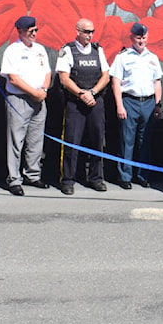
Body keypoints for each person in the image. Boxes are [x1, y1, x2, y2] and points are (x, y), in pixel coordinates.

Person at [0, 16, 52, 196]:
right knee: (16, 140)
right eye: (31, 32)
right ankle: (14, 179)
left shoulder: (40, 49)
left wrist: (43, 90)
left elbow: (47, 72)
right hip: (19, 99)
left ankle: (32, 174)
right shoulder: (12, 50)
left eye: (36, 30)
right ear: (20, 32)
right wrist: (34, 92)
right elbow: (13, 78)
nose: (34, 34)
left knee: (36, 139)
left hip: (39, 99)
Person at [56, 18, 110, 195]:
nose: (90, 35)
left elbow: (105, 76)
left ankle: (96, 178)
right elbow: (64, 78)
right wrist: (81, 94)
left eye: (92, 31)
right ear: (77, 31)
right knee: (71, 141)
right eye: (87, 32)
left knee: (97, 141)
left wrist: (92, 93)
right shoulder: (67, 50)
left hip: (95, 100)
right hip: (75, 102)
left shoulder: (98, 49)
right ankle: (68, 180)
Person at [109, 22, 162, 189]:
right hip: (129, 101)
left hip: (148, 102)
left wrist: (157, 104)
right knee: (127, 141)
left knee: (145, 141)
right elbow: (115, 83)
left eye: (144, 37)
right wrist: (119, 105)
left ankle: (142, 175)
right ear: (132, 37)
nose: (141, 41)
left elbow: (157, 82)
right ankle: (125, 176)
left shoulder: (152, 57)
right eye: (138, 37)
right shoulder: (122, 57)